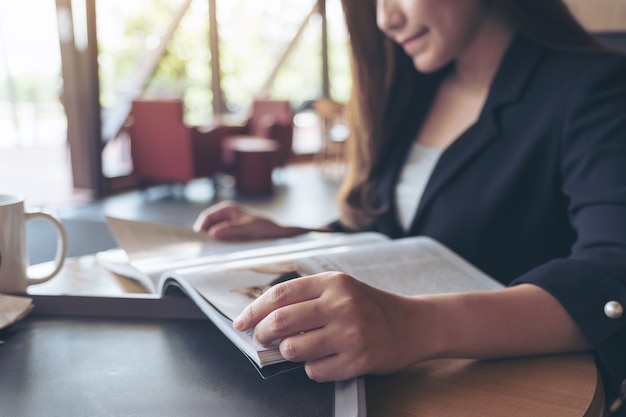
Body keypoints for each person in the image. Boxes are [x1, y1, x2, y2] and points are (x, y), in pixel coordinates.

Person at [194, 0, 626, 412]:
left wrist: (414, 325)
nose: (385, 19)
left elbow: (611, 273)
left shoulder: (596, 85)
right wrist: (294, 234)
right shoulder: (416, 90)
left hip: (524, 393)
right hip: (415, 386)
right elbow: (400, 232)